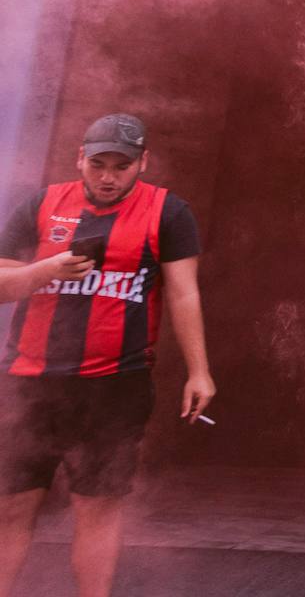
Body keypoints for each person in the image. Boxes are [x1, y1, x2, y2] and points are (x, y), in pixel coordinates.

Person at [0, 113, 214, 597]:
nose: (108, 176)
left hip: (115, 386)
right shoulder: (41, 204)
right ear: (81, 158)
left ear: (143, 162)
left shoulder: (169, 213)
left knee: (96, 508)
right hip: (28, 382)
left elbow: (184, 294)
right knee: (10, 507)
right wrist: (47, 269)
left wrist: (200, 371)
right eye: (99, 164)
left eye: (122, 165)